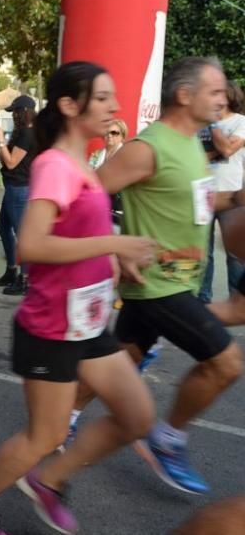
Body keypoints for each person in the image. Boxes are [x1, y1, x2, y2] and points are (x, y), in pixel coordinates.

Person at [0, 61, 158, 535]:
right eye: (103, 98)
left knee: (137, 414)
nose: (115, 107)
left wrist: (117, 263)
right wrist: (114, 245)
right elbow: (33, 246)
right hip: (51, 328)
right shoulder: (54, 165)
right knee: (44, 436)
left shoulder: (84, 162)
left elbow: (80, 235)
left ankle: (51, 479)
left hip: (86, 324)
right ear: (69, 105)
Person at [72, 56, 242, 495]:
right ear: (185, 95)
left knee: (121, 363)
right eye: (216, 90)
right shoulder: (148, 148)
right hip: (156, 285)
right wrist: (112, 247)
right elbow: (82, 196)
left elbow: (199, 205)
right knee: (226, 363)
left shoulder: (190, 145)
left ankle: (60, 420)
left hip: (178, 282)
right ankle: (169, 439)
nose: (224, 97)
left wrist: (238, 196)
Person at [198, 80, 245, 303]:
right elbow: (191, 157)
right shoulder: (200, 124)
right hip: (203, 194)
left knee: (235, 255)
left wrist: (214, 125)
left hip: (231, 196)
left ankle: (236, 302)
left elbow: (227, 149)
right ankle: (203, 303)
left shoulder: (240, 122)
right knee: (202, 254)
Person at [0, 95, 37, 296]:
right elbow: (4, 161)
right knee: (3, 227)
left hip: (20, 189)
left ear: (24, 112)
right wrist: (0, 143)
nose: (13, 116)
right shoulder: (21, 134)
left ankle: (25, 278)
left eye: (16, 112)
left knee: (22, 235)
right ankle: (11, 270)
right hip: (13, 187)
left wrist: (1, 141)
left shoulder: (28, 134)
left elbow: (10, 162)